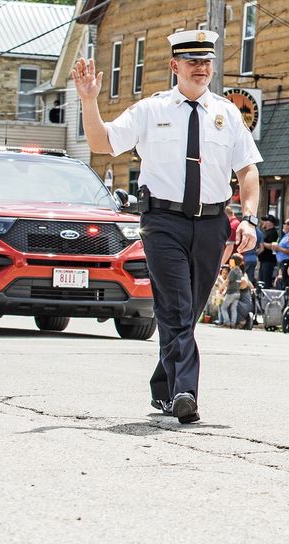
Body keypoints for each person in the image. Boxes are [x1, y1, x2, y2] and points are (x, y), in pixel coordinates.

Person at [73, 29, 261, 425]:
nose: (201, 68)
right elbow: (103, 142)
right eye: (193, 61)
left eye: (207, 61)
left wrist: (249, 218)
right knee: (176, 306)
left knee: (187, 312)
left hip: (212, 224)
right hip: (163, 223)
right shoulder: (150, 110)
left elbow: (247, 171)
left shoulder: (226, 115)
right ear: (175, 66)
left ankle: (163, 387)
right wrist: (89, 100)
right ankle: (184, 393)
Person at [219, 254, 246, 328]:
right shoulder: (240, 271)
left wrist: (221, 288)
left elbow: (227, 281)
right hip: (237, 293)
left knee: (223, 308)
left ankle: (227, 322)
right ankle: (233, 323)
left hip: (231, 293)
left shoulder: (233, 271)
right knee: (233, 309)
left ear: (233, 261)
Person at [256, 216, 280, 289]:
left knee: (266, 281)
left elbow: (273, 246)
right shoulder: (265, 232)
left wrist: (262, 244)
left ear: (270, 223)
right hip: (263, 260)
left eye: (266, 221)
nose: (264, 223)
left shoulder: (273, 232)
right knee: (261, 280)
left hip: (269, 260)